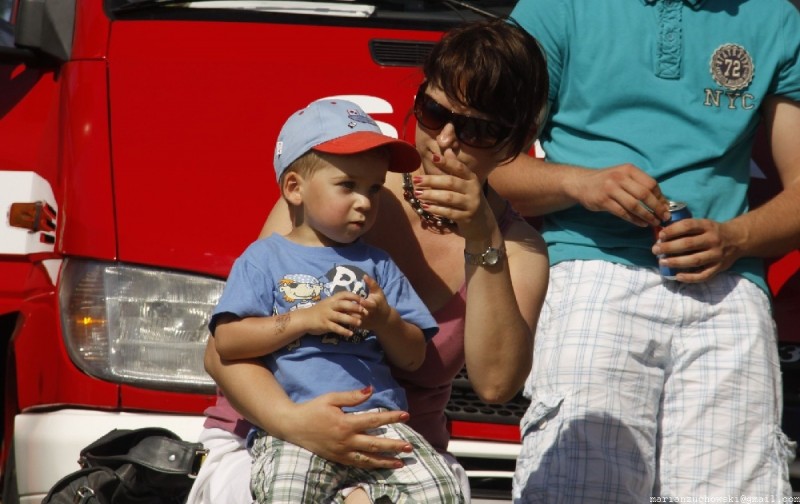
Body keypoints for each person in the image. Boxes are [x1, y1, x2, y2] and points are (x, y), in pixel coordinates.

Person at [186, 18, 551, 504]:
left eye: (478, 130)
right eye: (432, 112)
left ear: (519, 140)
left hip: (400, 455)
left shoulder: (518, 250)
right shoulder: (341, 192)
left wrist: (482, 238)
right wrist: (298, 423)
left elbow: (496, 384)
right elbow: (222, 352)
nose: (444, 140)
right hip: (267, 434)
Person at [487, 0, 800, 501]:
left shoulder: (774, 16)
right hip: (590, 273)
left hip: (730, 287)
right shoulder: (556, 8)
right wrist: (581, 184)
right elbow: (489, 164)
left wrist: (734, 239)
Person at [210, 98, 465, 503]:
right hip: (297, 426)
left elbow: (414, 356)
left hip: (378, 422)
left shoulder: (379, 264)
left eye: (374, 188)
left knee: (442, 491)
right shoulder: (263, 259)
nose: (365, 201)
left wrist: (386, 322)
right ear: (294, 188)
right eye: (348, 186)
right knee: (285, 493)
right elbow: (227, 342)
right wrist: (305, 318)